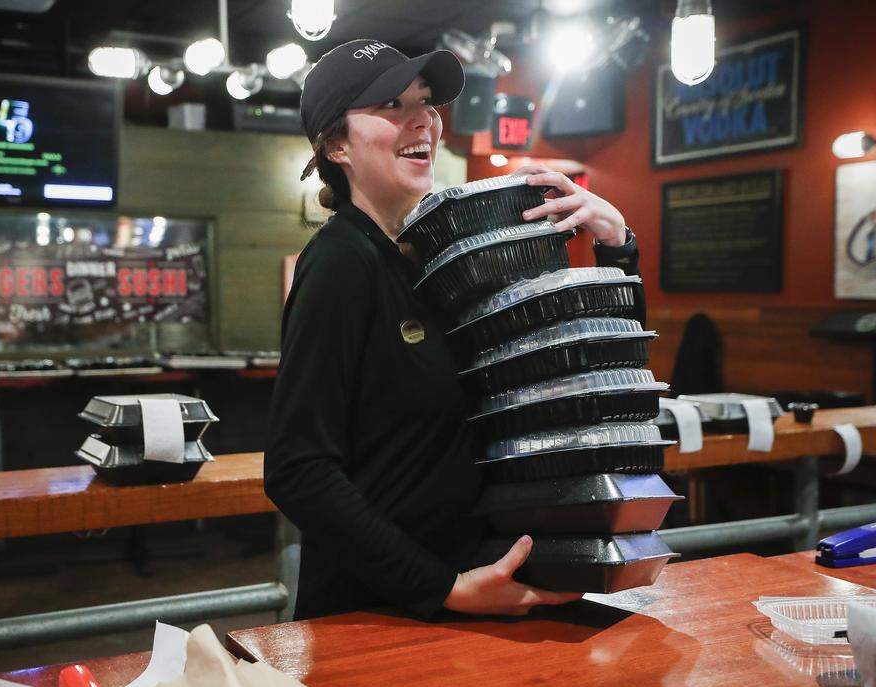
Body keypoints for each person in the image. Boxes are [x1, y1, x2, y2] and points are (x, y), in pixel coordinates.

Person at [264, 39, 641, 621]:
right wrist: (443, 586)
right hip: (378, 615)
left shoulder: (443, 255)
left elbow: (581, 377)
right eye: (391, 104)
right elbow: (299, 471)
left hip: (481, 591)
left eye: (426, 101)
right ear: (337, 145)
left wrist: (617, 247)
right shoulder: (341, 262)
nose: (424, 119)